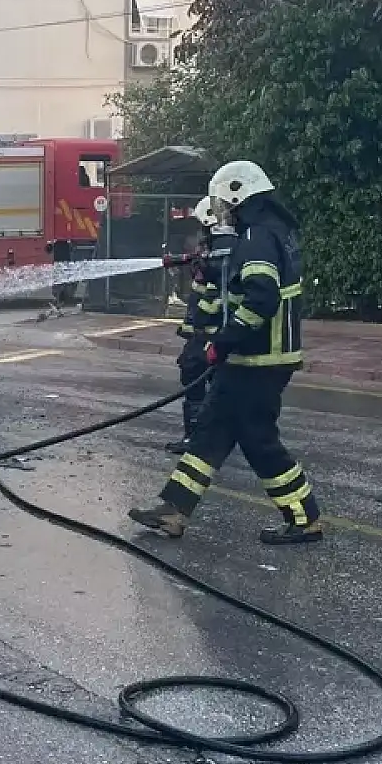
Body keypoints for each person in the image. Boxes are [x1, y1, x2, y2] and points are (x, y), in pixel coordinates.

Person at [130, 161, 321, 545]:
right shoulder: (271, 232)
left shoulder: (258, 237)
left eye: (224, 204)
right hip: (254, 357)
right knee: (212, 430)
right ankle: (174, 510)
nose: (223, 213)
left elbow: (260, 298)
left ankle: (304, 517)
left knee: (258, 438)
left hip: (261, 359)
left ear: (239, 196)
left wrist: (222, 342)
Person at [165, 196, 237, 455]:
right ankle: (209, 437)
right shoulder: (218, 249)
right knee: (209, 384)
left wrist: (200, 322)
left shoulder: (220, 252)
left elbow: (215, 295)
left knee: (195, 379)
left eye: (200, 227)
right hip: (207, 334)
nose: (197, 234)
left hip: (209, 334)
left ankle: (197, 439)